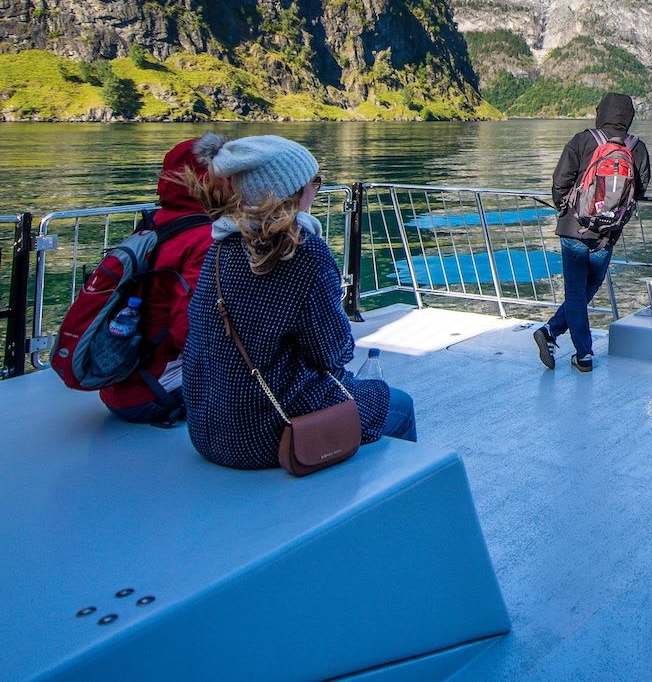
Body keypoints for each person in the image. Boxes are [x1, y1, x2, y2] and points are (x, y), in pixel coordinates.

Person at [181, 135, 416, 469]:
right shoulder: (303, 252)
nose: (316, 190)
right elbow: (333, 353)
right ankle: (383, 494)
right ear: (293, 191)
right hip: (270, 433)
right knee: (397, 404)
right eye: (313, 182)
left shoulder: (220, 247)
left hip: (209, 430)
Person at [100, 133, 225, 425]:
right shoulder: (205, 239)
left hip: (120, 382)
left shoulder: (154, 225)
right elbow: (190, 330)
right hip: (156, 391)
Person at [533, 93, 651, 373]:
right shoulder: (637, 147)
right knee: (591, 286)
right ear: (629, 116)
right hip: (607, 232)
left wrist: (565, 208)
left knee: (576, 291)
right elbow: (641, 189)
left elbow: (560, 181)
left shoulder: (583, 140)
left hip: (574, 227)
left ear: (601, 112)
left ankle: (571, 345)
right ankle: (561, 338)